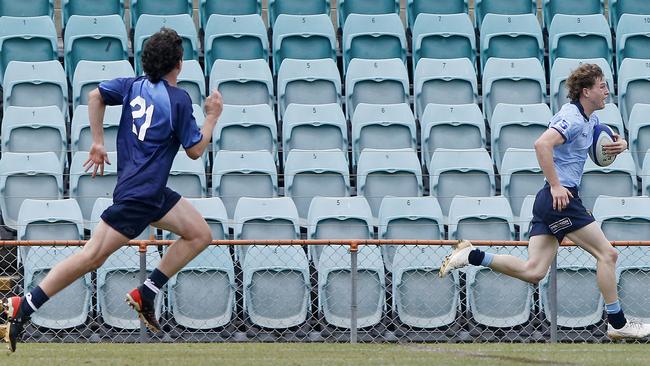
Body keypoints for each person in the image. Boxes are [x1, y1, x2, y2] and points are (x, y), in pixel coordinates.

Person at [2, 28, 223, 352]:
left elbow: (95, 96)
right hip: (141, 196)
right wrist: (212, 118)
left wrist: (97, 142)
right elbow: (195, 150)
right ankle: (25, 304)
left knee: (200, 234)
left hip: (150, 192)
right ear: (179, 63)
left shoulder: (133, 86)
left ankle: (146, 291)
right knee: (91, 256)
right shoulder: (178, 100)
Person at [439, 63, 650, 340]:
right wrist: (556, 186)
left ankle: (470, 255)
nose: (607, 92)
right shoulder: (572, 117)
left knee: (534, 271)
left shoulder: (588, 119)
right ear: (586, 91)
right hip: (560, 200)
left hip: (548, 201)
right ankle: (617, 323)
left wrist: (620, 144)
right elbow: (542, 144)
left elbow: (604, 132)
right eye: (602, 86)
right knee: (607, 254)